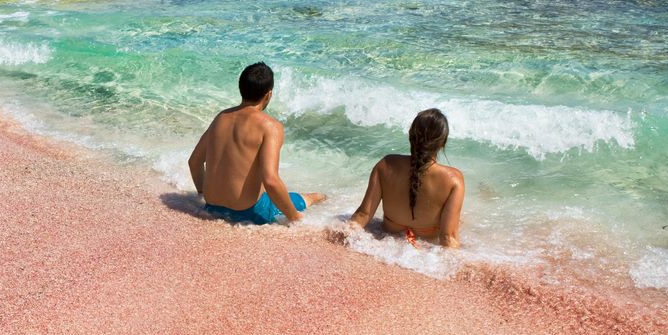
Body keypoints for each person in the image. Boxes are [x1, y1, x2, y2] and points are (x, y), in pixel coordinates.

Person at [188, 62, 325, 224]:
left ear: (241, 88)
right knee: (313, 197)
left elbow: (194, 162)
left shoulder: (221, 117)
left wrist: (203, 194)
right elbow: (271, 180)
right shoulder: (270, 126)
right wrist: (295, 218)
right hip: (249, 212)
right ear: (268, 94)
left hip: (212, 206)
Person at [348, 108, 465, 247]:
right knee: (461, 221)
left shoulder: (386, 165)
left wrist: (346, 237)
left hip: (385, 244)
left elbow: (363, 215)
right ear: (443, 143)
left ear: (410, 134)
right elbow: (447, 237)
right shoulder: (453, 180)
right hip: (425, 252)